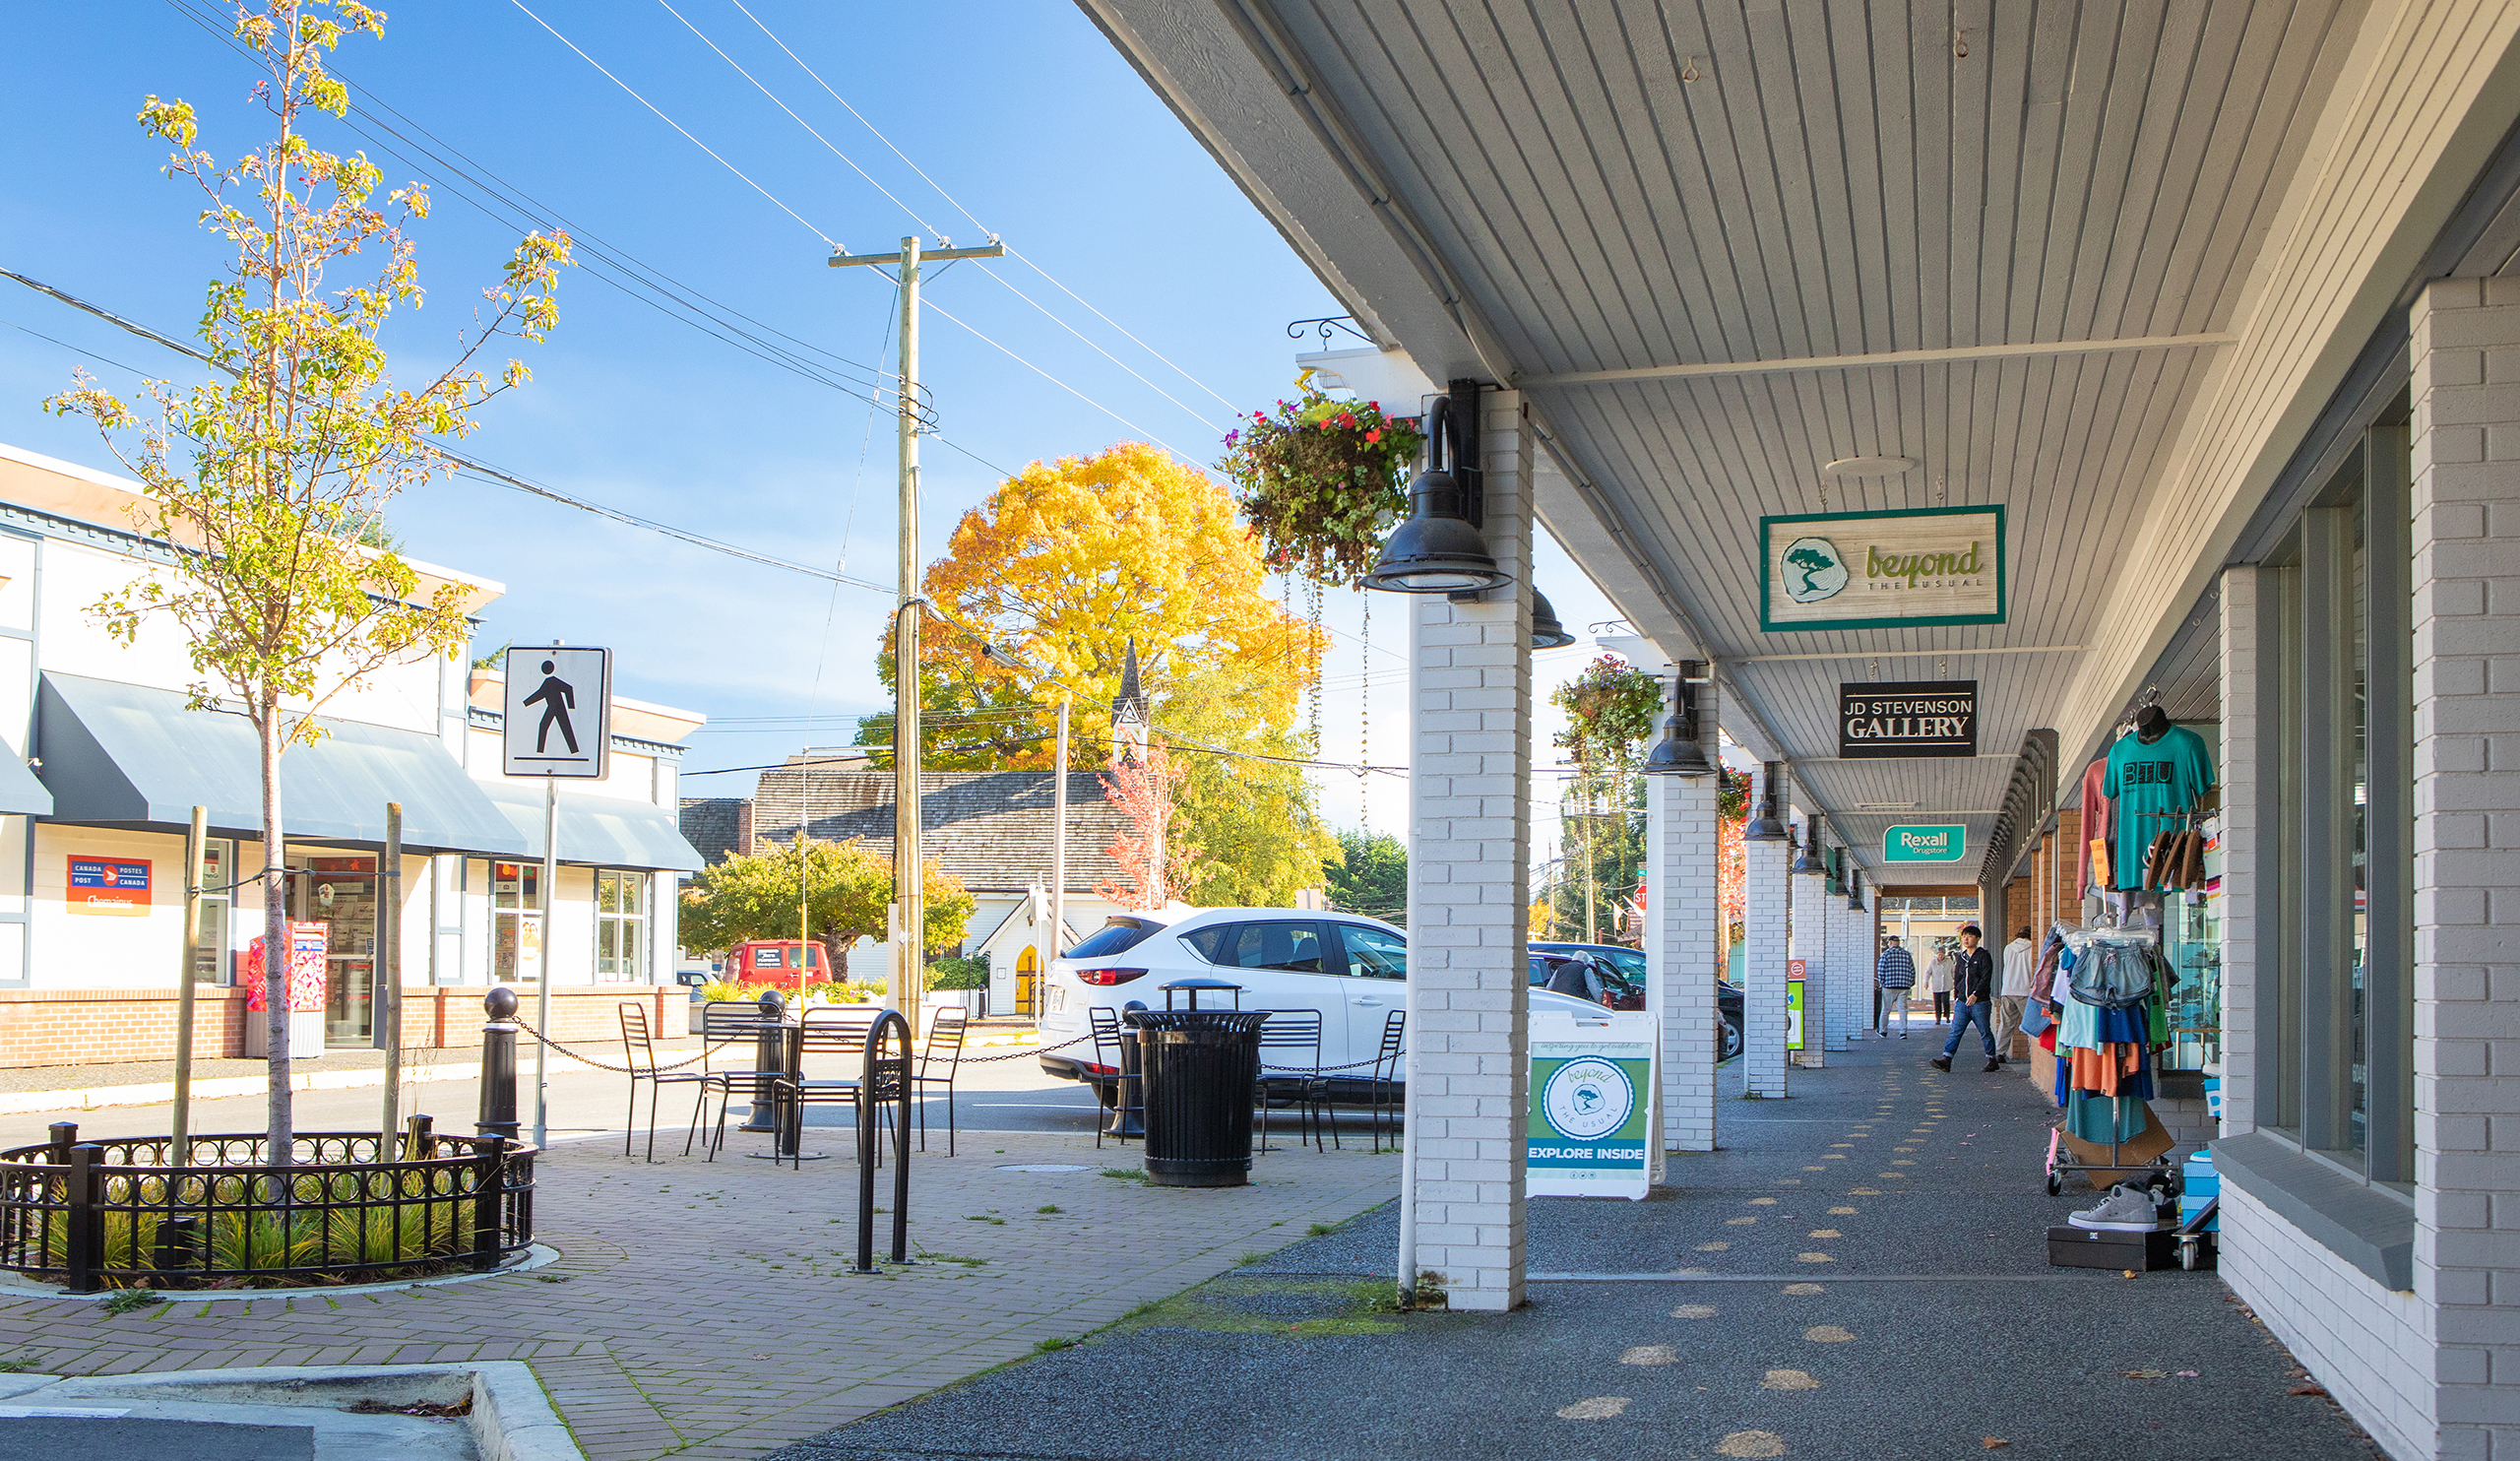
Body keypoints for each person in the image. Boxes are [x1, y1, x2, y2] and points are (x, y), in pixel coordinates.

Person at [1931, 925, 2000, 1072]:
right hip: (1962, 1002)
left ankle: (1992, 1059)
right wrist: (1957, 996)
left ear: (1977, 938)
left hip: (1979, 1001)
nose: (1966, 939)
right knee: (1955, 1030)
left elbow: (1986, 977)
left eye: (1969, 936)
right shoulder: (1961, 957)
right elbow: (1958, 977)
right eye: (1964, 936)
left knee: (1984, 1031)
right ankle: (1946, 1059)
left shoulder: (1983, 956)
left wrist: (1976, 994)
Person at [1992, 925, 2036, 1065]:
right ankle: (2033, 1052)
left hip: (2008, 990)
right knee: (2030, 1024)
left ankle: (1999, 1052)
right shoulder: (2032, 948)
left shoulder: (2008, 948)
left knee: (2006, 1024)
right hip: (2024, 990)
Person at [1875, 935, 1917, 1038]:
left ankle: (1883, 1031)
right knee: (1902, 1010)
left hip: (1889, 986)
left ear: (1890, 943)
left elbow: (1880, 970)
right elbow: (1912, 970)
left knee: (1886, 1009)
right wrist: (1910, 982)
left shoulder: (1886, 954)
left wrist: (1882, 982)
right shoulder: (1907, 955)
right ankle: (1903, 1032)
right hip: (1904, 986)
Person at [1923, 941, 1957, 1023]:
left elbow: (1953, 972)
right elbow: (1928, 972)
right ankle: (1938, 1018)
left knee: (1946, 1001)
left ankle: (1947, 1016)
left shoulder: (1949, 961)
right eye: (1939, 954)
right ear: (1936, 955)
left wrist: (1955, 981)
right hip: (1936, 985)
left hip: (1946, 985)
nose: (1940, 956)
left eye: (1942, 954)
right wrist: (1926, 982)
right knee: (1937, 1003)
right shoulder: (1933, 962)